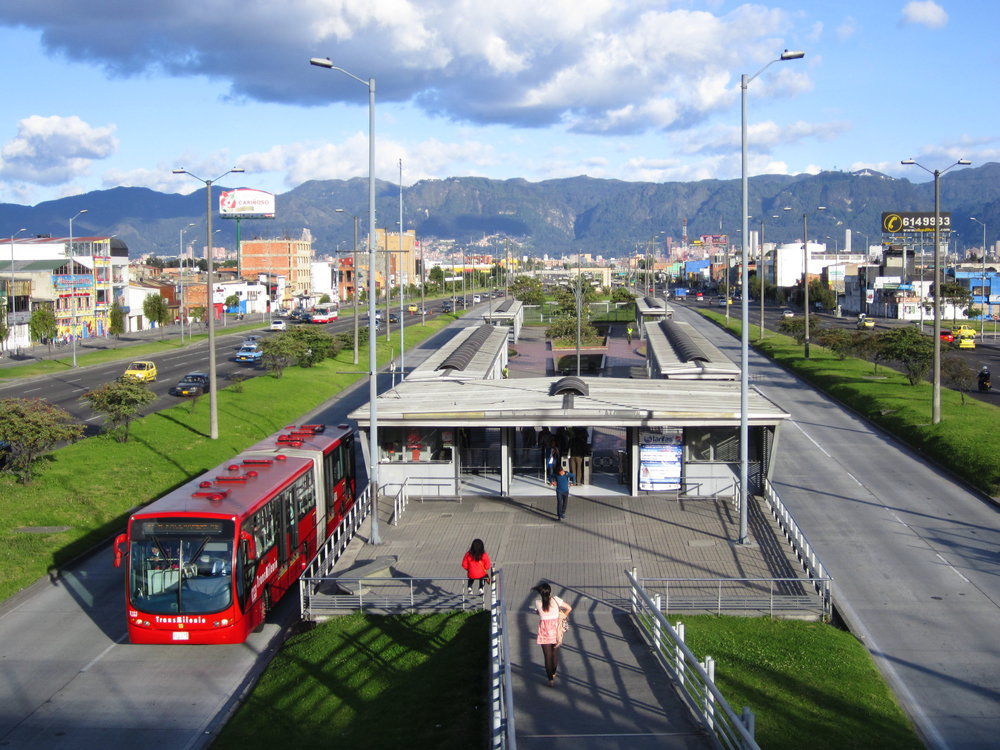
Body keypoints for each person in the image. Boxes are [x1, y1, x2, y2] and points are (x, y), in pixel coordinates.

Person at [532, 582, 572, 687]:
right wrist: (562, 616)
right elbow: (569, 608)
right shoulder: (556, 600)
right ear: (550, 592)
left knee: (547, 657)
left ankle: (550, 680)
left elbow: (540, 612)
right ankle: (554, 673)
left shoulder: (538, 603)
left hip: (544, 633)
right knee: (555, 655)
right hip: (556, 632)